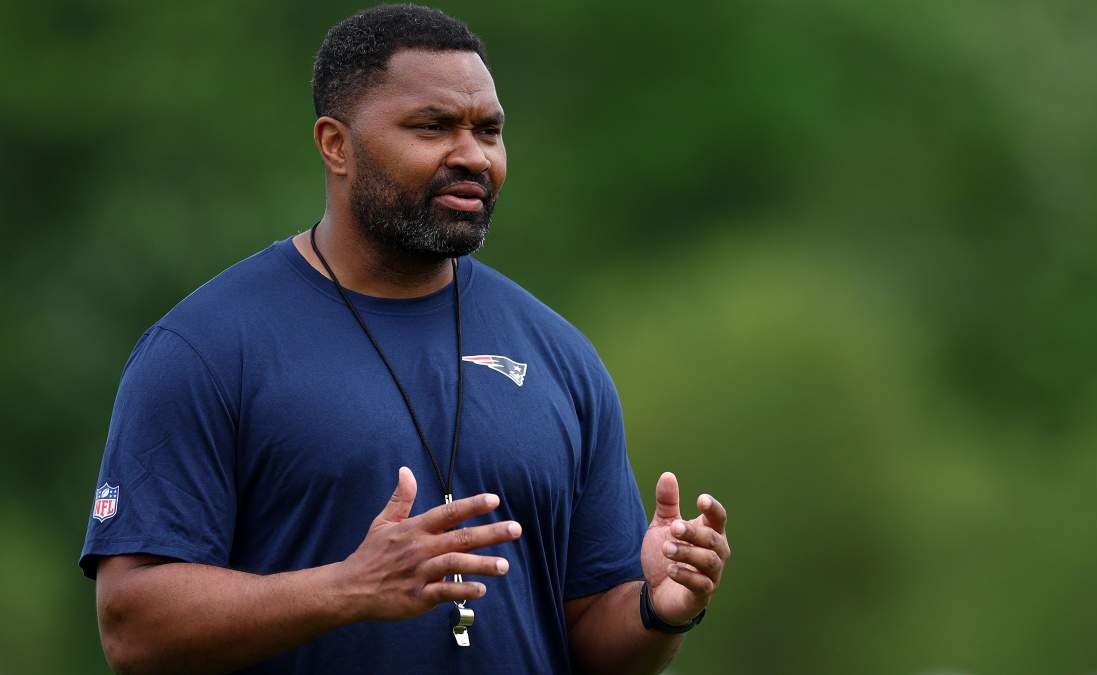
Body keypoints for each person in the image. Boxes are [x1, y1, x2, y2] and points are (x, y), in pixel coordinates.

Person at [80, 5, 730, 674]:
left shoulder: (559, 357)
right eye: (432, 127)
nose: (473, 156)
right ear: (336, 145)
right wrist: (347, 587)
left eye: (489, 131)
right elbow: (133, 628)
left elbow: (591, 640)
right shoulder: (206, 349)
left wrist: (659, 608)